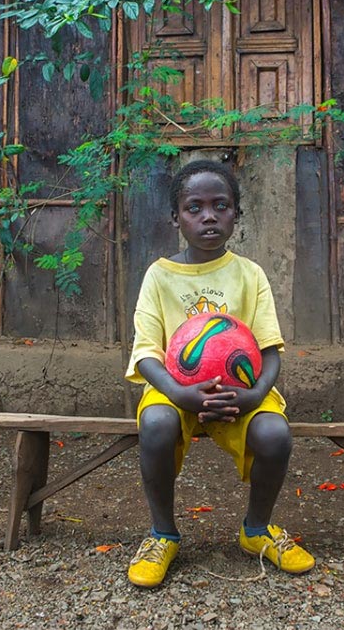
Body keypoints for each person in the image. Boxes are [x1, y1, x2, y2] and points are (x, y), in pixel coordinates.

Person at [124, 159, 315, 588]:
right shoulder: (159, 276)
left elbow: (270, 350)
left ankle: (257, 529)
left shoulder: (249, 275)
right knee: (155, 424)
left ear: (236, 214)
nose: (208, 216)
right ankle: (162, 534)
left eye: (220, 205)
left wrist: (253, 396)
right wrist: (180, 393)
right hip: (177, 390)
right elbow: (147, 353)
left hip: (240, 393)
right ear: (176, 217)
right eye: (194, 207)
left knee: (273, 434)